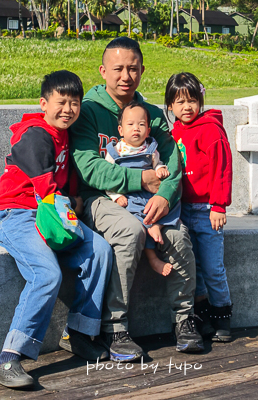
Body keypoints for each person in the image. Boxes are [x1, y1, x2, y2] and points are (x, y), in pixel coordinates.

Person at [70, 37, 204, 361]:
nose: (125, 76)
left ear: (142, 70)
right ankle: (116, 328)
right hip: (102, 199)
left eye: (133, 68)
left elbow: (172, 160)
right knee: (130, 232)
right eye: (118, 69)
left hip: (149, 198)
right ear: (103, 71)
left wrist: (167, 197)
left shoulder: (151, 114)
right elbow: (89, 168)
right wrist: (139, 178)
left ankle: (184, 322)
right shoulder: (88, 112)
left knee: (178, 235)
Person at [0, 70, 114, 390]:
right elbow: (40, 175)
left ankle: (78, 334)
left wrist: (72, 198)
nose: (68, 110)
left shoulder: (65, 135)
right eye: (61, 102)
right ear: (44, 103)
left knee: (99, 251)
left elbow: (66, 178)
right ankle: (8, 358)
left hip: (53, 213)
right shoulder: (36, 133)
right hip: (17, 215)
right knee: (46, 274)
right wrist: (60, 200)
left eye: (74, 103)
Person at [166, 71, 234, 343]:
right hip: (183, 209)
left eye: (192, 100)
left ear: (201, 101)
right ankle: (202, 314)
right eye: (180, 102)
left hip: (207, 210)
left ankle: (222, 315)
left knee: (212, 267)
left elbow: (222, 168)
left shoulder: (210, 130)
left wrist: (219, 205)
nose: (187, 107)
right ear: (170, 105)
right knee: (192, 268)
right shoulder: (174, 132)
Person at [103, 101, 180, 277]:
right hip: (130, 195)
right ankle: (153, 256)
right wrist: (116, 197)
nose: (136, 128)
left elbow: (158, 163)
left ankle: (157, 224)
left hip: (150, 193)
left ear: (148, 130)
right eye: (130, 125)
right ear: (121, 130)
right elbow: (108, 179)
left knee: (174, 205)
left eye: (141, 124)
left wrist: (160, 169)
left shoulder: (151, 148)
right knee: (138, 217)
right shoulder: (116, 151)